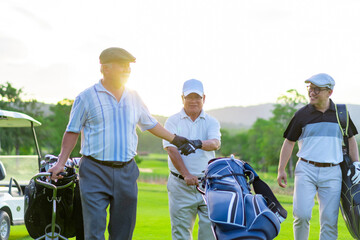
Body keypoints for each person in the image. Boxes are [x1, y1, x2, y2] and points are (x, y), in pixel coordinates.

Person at [48, 47, 195, 240]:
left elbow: (150, 123)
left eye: (129, 67)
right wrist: (60, 162)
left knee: (123, 233)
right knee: (94, 232)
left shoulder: (134, 96)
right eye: (123, 66)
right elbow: (72, 131)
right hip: (94, 171)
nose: (127, 70)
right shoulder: (86, 97)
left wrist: (175, 139)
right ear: (106, 68)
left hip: (127, 172)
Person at [276, 73, 360, 240]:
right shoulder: (301, 114)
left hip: (333, 172)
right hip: (306, 169)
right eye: (310, 88)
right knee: (302, 215)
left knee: (329, 221)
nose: (311, 92)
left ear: (329, 92)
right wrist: (281, 169)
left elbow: (351, 139)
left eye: (316, 89)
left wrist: (357, 164)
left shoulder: (341, 113)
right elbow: (289, 142)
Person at [163, 79, 221, 240]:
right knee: (181, 233)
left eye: (197, 97)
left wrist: (197, 143)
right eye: (189, 97)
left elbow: (215, 143)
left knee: (209, 234)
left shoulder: (211, 121)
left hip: (207, 185)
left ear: (204, 98)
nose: (193, 101)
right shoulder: (173, 121)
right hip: (180, 185)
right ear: (182, 98)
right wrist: (186, 174)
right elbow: (171, 149)